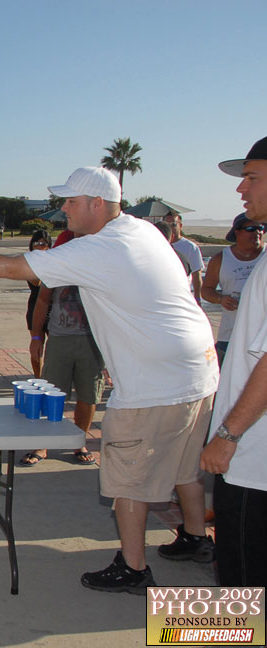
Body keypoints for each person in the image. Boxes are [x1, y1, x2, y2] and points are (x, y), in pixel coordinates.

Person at [0, 166, 218, 595]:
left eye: (70, 201)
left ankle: (134, 567)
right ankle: (196, 539)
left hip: (154, 384)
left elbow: (15, 268)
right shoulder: (142, 231)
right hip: (198, 371)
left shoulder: (104, 246)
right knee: (183, 465)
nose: (62, 208)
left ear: (96, 204)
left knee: (128, 480)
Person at [200, 136, 267, 587]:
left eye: (252, 177)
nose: (241, 189)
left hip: (251, 457)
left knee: (241, 577)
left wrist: (227, 435)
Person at [23, 235, 100, 467]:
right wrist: (37, 337)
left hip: (93, 342)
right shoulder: (57, 269)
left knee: (88, 396)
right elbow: (42, 302)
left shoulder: (100, 266)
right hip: (59, 339)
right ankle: (43, 444)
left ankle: (78, 441)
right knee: (51, 394)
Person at [199, 212, 264, 366]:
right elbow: (206, 290)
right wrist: (221, 299)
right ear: (237, 232)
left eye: (260, 228)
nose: (257, 232)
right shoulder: (221, 259)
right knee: (227, 385)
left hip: (262, 336)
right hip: (231, 335)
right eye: (251, 229)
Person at [24, 230, 51, 378]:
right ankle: (38, 377)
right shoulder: (29, 262)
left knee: (54, 347)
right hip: (35, 307)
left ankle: (51, 375)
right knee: (36, 344)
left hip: (53, 308)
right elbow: (37, 282)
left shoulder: (54, 261)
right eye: (37, 244)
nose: (40, 247)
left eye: (43, 244)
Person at [163, 211, 204, 304]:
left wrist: (197, 299)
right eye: (167, 224)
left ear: (180, 226)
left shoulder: (190, 247)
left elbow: (197, 275)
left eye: (173, 224)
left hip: (183, 297)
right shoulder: (158, 245)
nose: (170, 228)